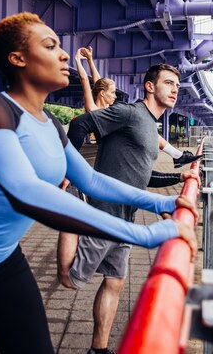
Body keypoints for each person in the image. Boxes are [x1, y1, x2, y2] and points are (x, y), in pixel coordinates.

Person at [0, 12, 197, 354]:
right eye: (50, 46)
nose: (62, 55)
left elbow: (91, 179)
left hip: (2, 259)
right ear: (18, 59)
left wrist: (162, 203)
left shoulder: (50, 125)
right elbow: (25, 193)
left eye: (60, 46)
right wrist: (145, 235)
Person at [58, 63, 198, 354]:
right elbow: (81, 124)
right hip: (103, 211)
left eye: (177, 85)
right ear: (150, 86)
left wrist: (177, 177)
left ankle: (99, 349)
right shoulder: (130, 112)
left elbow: (142, 175)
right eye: (169, 83)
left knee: (116, 281)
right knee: (69, 278)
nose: (175, 89)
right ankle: (69, 205)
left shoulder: (150, 126)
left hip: (126, 214)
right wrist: (67, 170)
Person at [74, 46, 202, 168]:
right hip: (112, 145)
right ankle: (177, 155)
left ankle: (177, 155)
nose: (115, 96)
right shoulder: (93, 108)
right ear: (102, 93)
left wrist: (90, 60)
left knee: (144, 127)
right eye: (112, 93)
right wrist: (77, 60)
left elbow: (98, 82)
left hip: (117, 138)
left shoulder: (108, 107)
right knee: (143, 126)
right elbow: (84, 79)